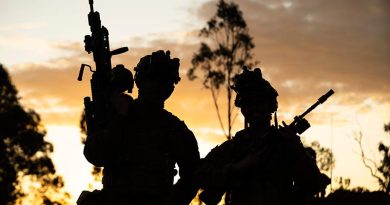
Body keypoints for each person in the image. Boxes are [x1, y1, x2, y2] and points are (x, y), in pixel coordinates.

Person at [82, 50, 200, 205]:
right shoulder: (117, 114)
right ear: (140, 81)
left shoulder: (176, 130)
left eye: (164, 82)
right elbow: (95, 155)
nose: (158, 87)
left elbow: (192, 177)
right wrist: (121, 118)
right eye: (153, 80)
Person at [195, 67, 322, 205]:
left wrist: (296, 149)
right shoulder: (235, 147)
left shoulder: (286, 145)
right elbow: (199, 174)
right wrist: (238, 168)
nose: (255, 108)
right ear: (243, 109)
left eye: (260, 102)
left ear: (271, 106)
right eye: (249, 103)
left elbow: (314, 184)